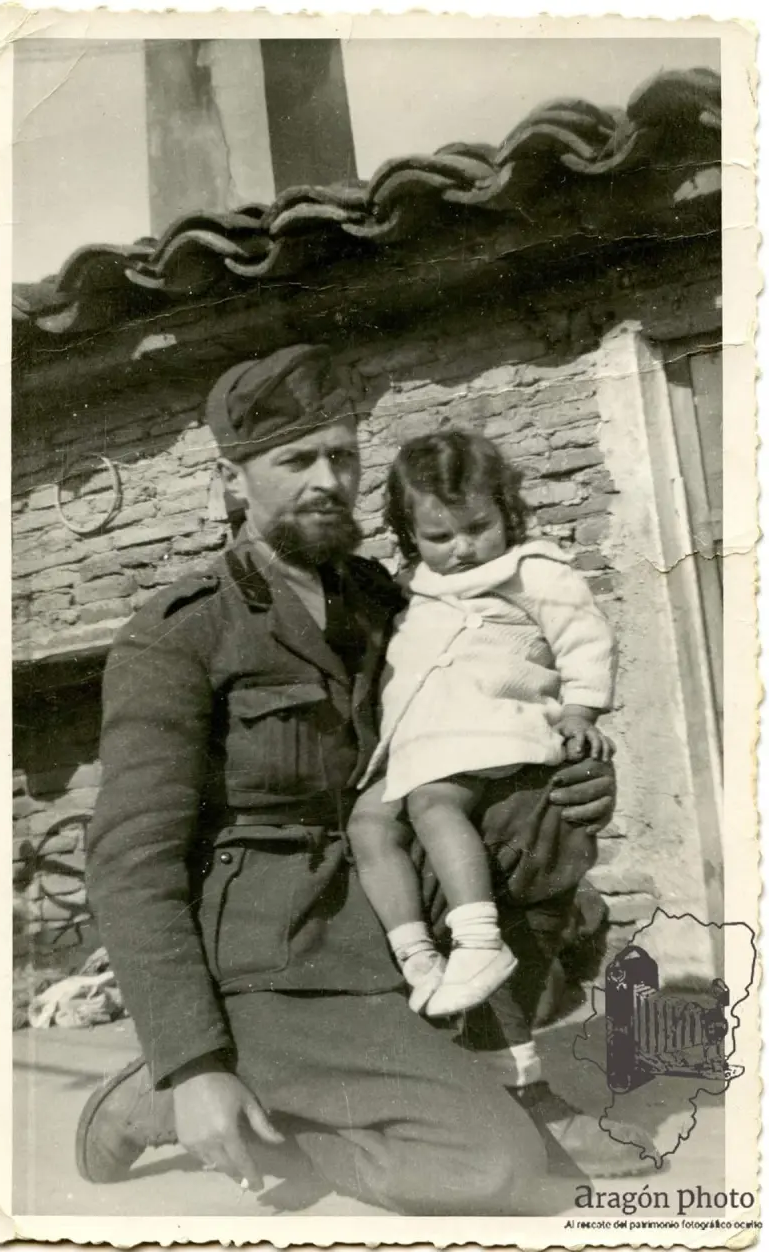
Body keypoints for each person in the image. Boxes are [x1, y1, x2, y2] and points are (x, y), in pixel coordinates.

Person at [75, 344, 651, 1208]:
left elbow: (479, 722)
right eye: (295, 459)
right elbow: (132, 861)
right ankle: (169, 1095)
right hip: (278, 953)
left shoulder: (390, 599)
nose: (328, 480)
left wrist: (577, 784)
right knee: (484, 1167)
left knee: (525, 814)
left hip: (384, 917)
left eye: (342, 455)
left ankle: (513, 1079)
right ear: (233, 479)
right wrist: (190, 1058)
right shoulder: (179, 634)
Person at [347, 429, 616, 1018]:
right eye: (439, 536)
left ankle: (477, 941)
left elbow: (584, 640)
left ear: (507, 512)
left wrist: (580, 710)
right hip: (421, 742)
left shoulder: (533, 571)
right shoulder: (412, 587)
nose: (463, 549)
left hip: (493, 726)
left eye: (478, 528)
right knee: (368, 822)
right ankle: (416, 953)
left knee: (434, 805)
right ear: (411, 536)